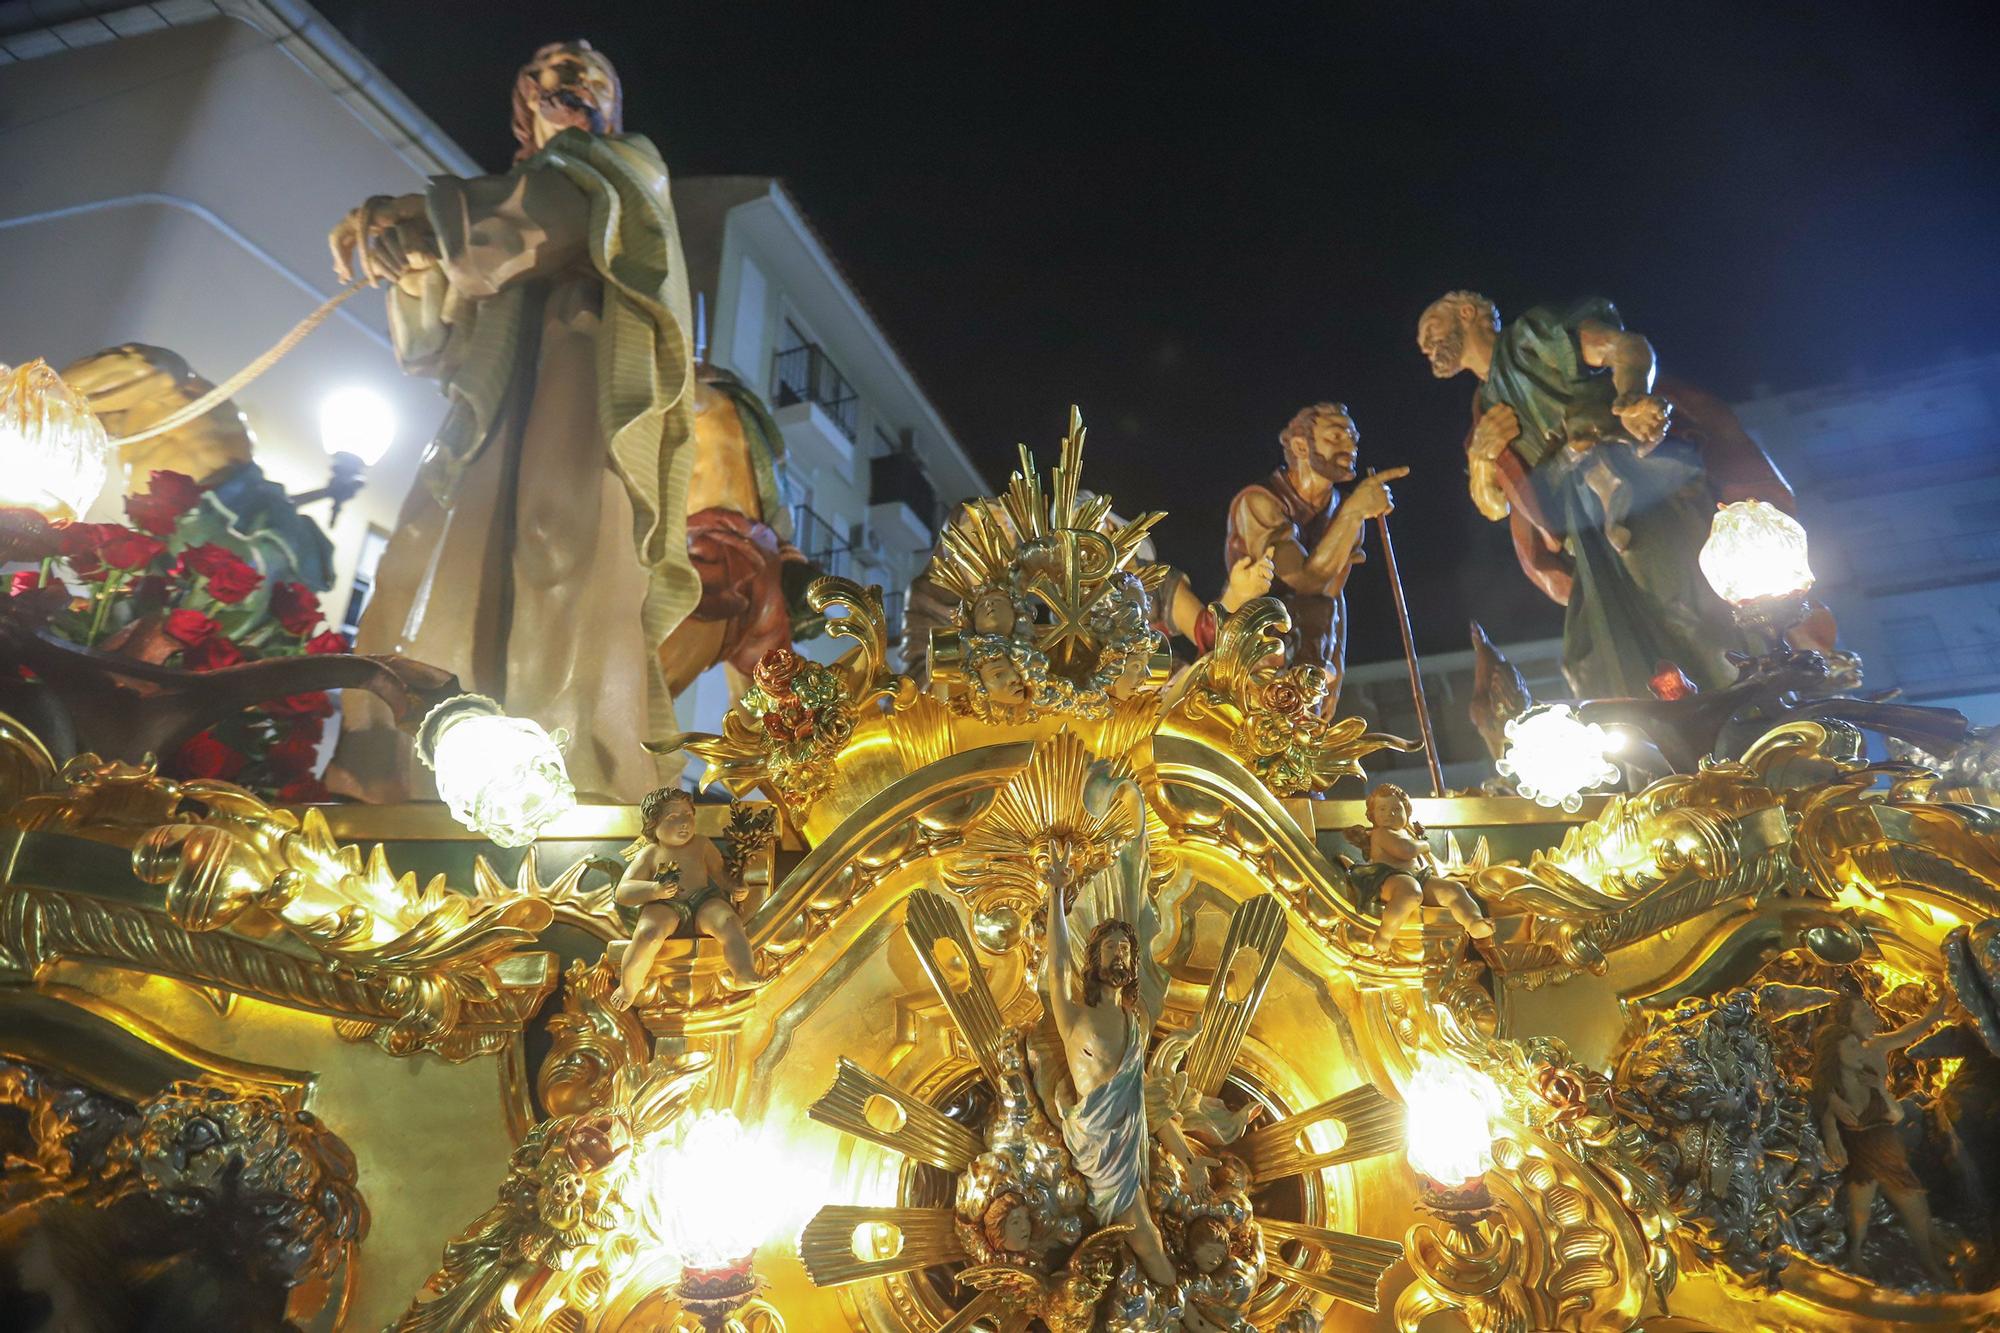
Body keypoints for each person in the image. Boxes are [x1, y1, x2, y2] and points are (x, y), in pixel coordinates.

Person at [326, 41, 697, 803]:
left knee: (560, 538)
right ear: (523, 102)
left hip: (587, 370)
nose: (570, 83)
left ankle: (573, 768)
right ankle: (411, 772)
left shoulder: (629, 168)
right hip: (496, 401)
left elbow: (548, 221)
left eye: (589, 74)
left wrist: (425, 222)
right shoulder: (503, 194)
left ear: (612, 105)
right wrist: (409, 256)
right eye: (549, 72)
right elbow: (439, 338)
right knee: (437, 557)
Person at [1417, 291, 1816, 699]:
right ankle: (1666, 741)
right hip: (1581, 530)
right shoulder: (1483, 408)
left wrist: (1631, 399)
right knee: (1590, 659)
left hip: (1631, 483)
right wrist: (1483, 459)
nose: (1428, 346)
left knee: (1681, 607)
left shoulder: (1531, 339)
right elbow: (1494, 506)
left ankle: (1746, 709)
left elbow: (1628, 348)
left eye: (1432, 331)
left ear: (1467, 313)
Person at [1043, 851, 1177, 1287]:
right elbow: (1058, 964)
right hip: (1097, 1147)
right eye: (1110, 947)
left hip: (1130, 1145)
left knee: (1142, 1235)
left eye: (1125, 949)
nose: (1119, 954)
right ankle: (1180, 1305)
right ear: (1095, 959)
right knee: (1146, 1237)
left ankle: (1159, 1300)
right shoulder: (1075, 1017)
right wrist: (1057, 891)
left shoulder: (1136, 1023)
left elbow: (1144, 1096)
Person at [1224, 404, 1402, 704]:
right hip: (1258, 649)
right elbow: (1303, 579)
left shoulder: (1344, 510)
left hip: (1311, 650)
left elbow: (1331, 595)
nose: (1351, 447)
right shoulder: (1259, 502)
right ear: (1300, 447)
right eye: (1336, 437)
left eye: (1353, 438)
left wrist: (1337, 661)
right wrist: (1355, 512)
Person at [1811, 992, 1953, 1285]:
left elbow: (1904, 1034)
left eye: (1869, 1012)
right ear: (1846, 1023)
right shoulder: (1841, 1055)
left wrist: (1931, 1018)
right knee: (1870, 1203)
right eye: (1863, 1014)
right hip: (1865, 1139)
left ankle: (1927, 1244)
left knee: (1900, 1197)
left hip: (1885, 1132)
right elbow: (1819, 1086)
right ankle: (1906, 1253)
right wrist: (1830, 1126)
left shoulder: (1873, 1047)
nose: (1873, 1018)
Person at [609, 788, 763, 1008]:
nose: (684, 822)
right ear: (653, 824)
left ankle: (744, 971)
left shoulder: (702, 844)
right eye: (673, 817)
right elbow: (623, 892)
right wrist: (654, 890)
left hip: (703, 902)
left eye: (688, 815)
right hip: (666, 905)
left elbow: (720, 874)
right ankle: (629, 986)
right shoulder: (650, 853)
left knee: (728, 922)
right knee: (648, 934)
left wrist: (735, 887)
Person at [1345, 783, 1493, 954]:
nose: (1389, 814)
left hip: (1416, 877)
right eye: (1382, 809)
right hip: (1389, 878)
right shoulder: (1382, 833)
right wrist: (1424, 845)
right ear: (1372, 815)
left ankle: (1474, 922)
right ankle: (1384, 935)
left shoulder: (1405, 832)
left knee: (1454, 889)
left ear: (1406, 813)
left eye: (1396, 809)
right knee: (1410, 892)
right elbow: (1406, 850)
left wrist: (1418, 838)